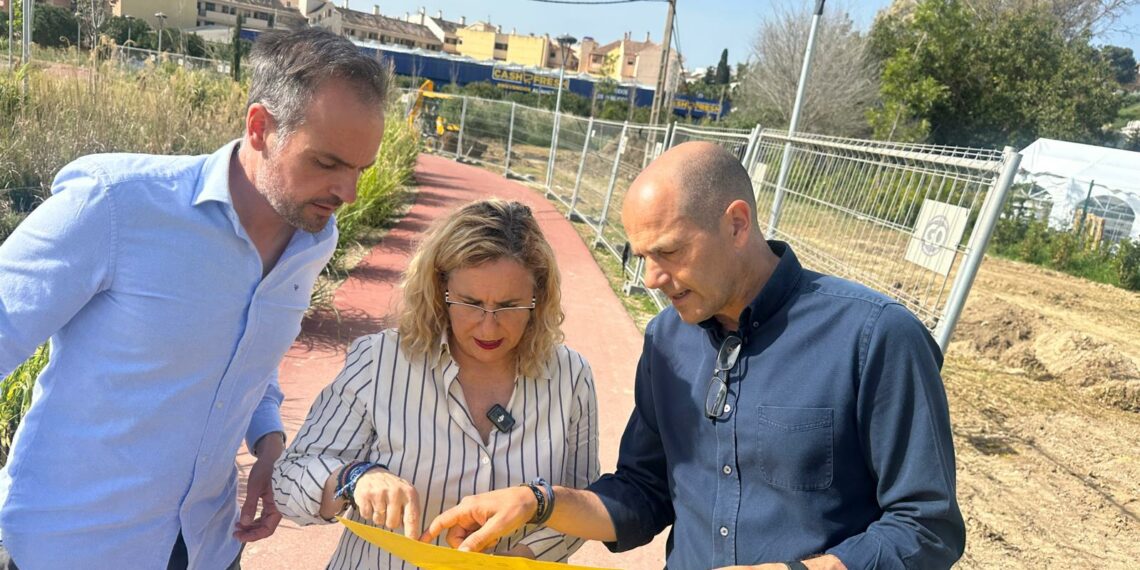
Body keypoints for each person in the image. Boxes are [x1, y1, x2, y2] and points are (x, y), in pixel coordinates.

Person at [422, 142, 965, 570]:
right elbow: (645, 492)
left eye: (670, 252)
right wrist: (538, 501)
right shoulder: (665, 341)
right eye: (643, 257)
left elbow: (927, 527)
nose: (652, 278)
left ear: (736, 223)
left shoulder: (876, 337)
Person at [0, 28, 388, 569]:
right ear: (261, 128)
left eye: (360, 170)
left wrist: (269, 443)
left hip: (208, 547)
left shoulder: (314, 239)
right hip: (75, 547)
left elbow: (246, 359)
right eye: (327, 163)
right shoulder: (116, 204)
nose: (347, 193)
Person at [273, 199, 600, 569]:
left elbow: (582, 503)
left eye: (509, 306)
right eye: (471, 302)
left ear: (538, 300)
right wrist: (354, 478)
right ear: (439, 290)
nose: (488, 326)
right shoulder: (380, 360)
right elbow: (289, 477)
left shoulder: (571, 377)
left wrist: (516, 560)